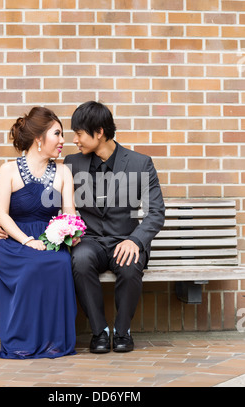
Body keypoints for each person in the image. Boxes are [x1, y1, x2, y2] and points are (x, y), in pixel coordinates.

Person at [63, 101, 165, 353]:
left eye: (79, 133)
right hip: (90, 241)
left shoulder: (141, 164)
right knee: (80, 259)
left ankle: (122, 331)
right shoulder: (72, 163)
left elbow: (156, 212)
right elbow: (52, 202)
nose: (74, 140)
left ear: (99, 132)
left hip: (126, 238)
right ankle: (99, 331)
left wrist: (136, 240)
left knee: (130, 264)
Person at [0, 106, 79, 359]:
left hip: (50, 238)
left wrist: (72, 229)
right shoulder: (7, 170)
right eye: (57, 134)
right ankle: (23, 340)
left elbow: (68, 210)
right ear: (39, 139)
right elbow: (2, 214)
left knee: (59, 263)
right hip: (15, 240)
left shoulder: (63, 172)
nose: (63, 141)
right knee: (31, 268)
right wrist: (27, 240)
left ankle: (54, 341)